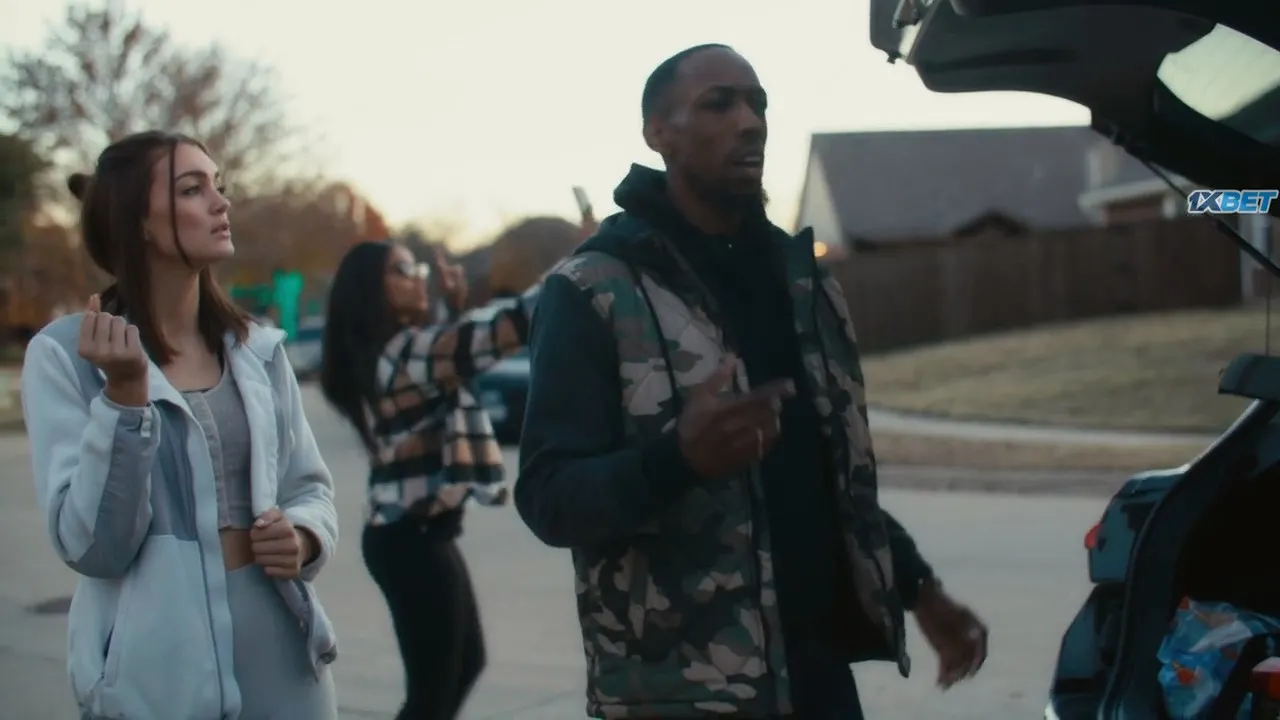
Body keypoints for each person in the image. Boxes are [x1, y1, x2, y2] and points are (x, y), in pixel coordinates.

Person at [514, 44, 989, 719]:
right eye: (720, 104)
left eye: (758, 104)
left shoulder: (802, 284)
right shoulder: (593, 289)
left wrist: (920, 589)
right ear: (658, 133)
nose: (750, 122)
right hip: (681, 692)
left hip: (818, 673)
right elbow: (548, 496)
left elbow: (830, 476)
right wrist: (676, 460)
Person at [21, 130, 339, 719]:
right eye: (193, 190)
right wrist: (123, 401)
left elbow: (309, 487)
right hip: (156, 676)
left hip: (285, 660)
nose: (221, 203)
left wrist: (302, 537)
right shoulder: (67, 356)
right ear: (137, 222)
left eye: (219, 186)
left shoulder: (256, 349)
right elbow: (92, 546)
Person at [319, 240, 539, 719]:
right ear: (372, 290)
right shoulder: (403, 353)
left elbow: (449, 356)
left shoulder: (399, 349)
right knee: (432, 693)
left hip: (418, 534)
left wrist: (455, 310)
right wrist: (575, 271)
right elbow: (500, 332)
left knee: (463, 668)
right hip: (408, 539)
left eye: (416, 267)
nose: (419, 277)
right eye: (403, 270)